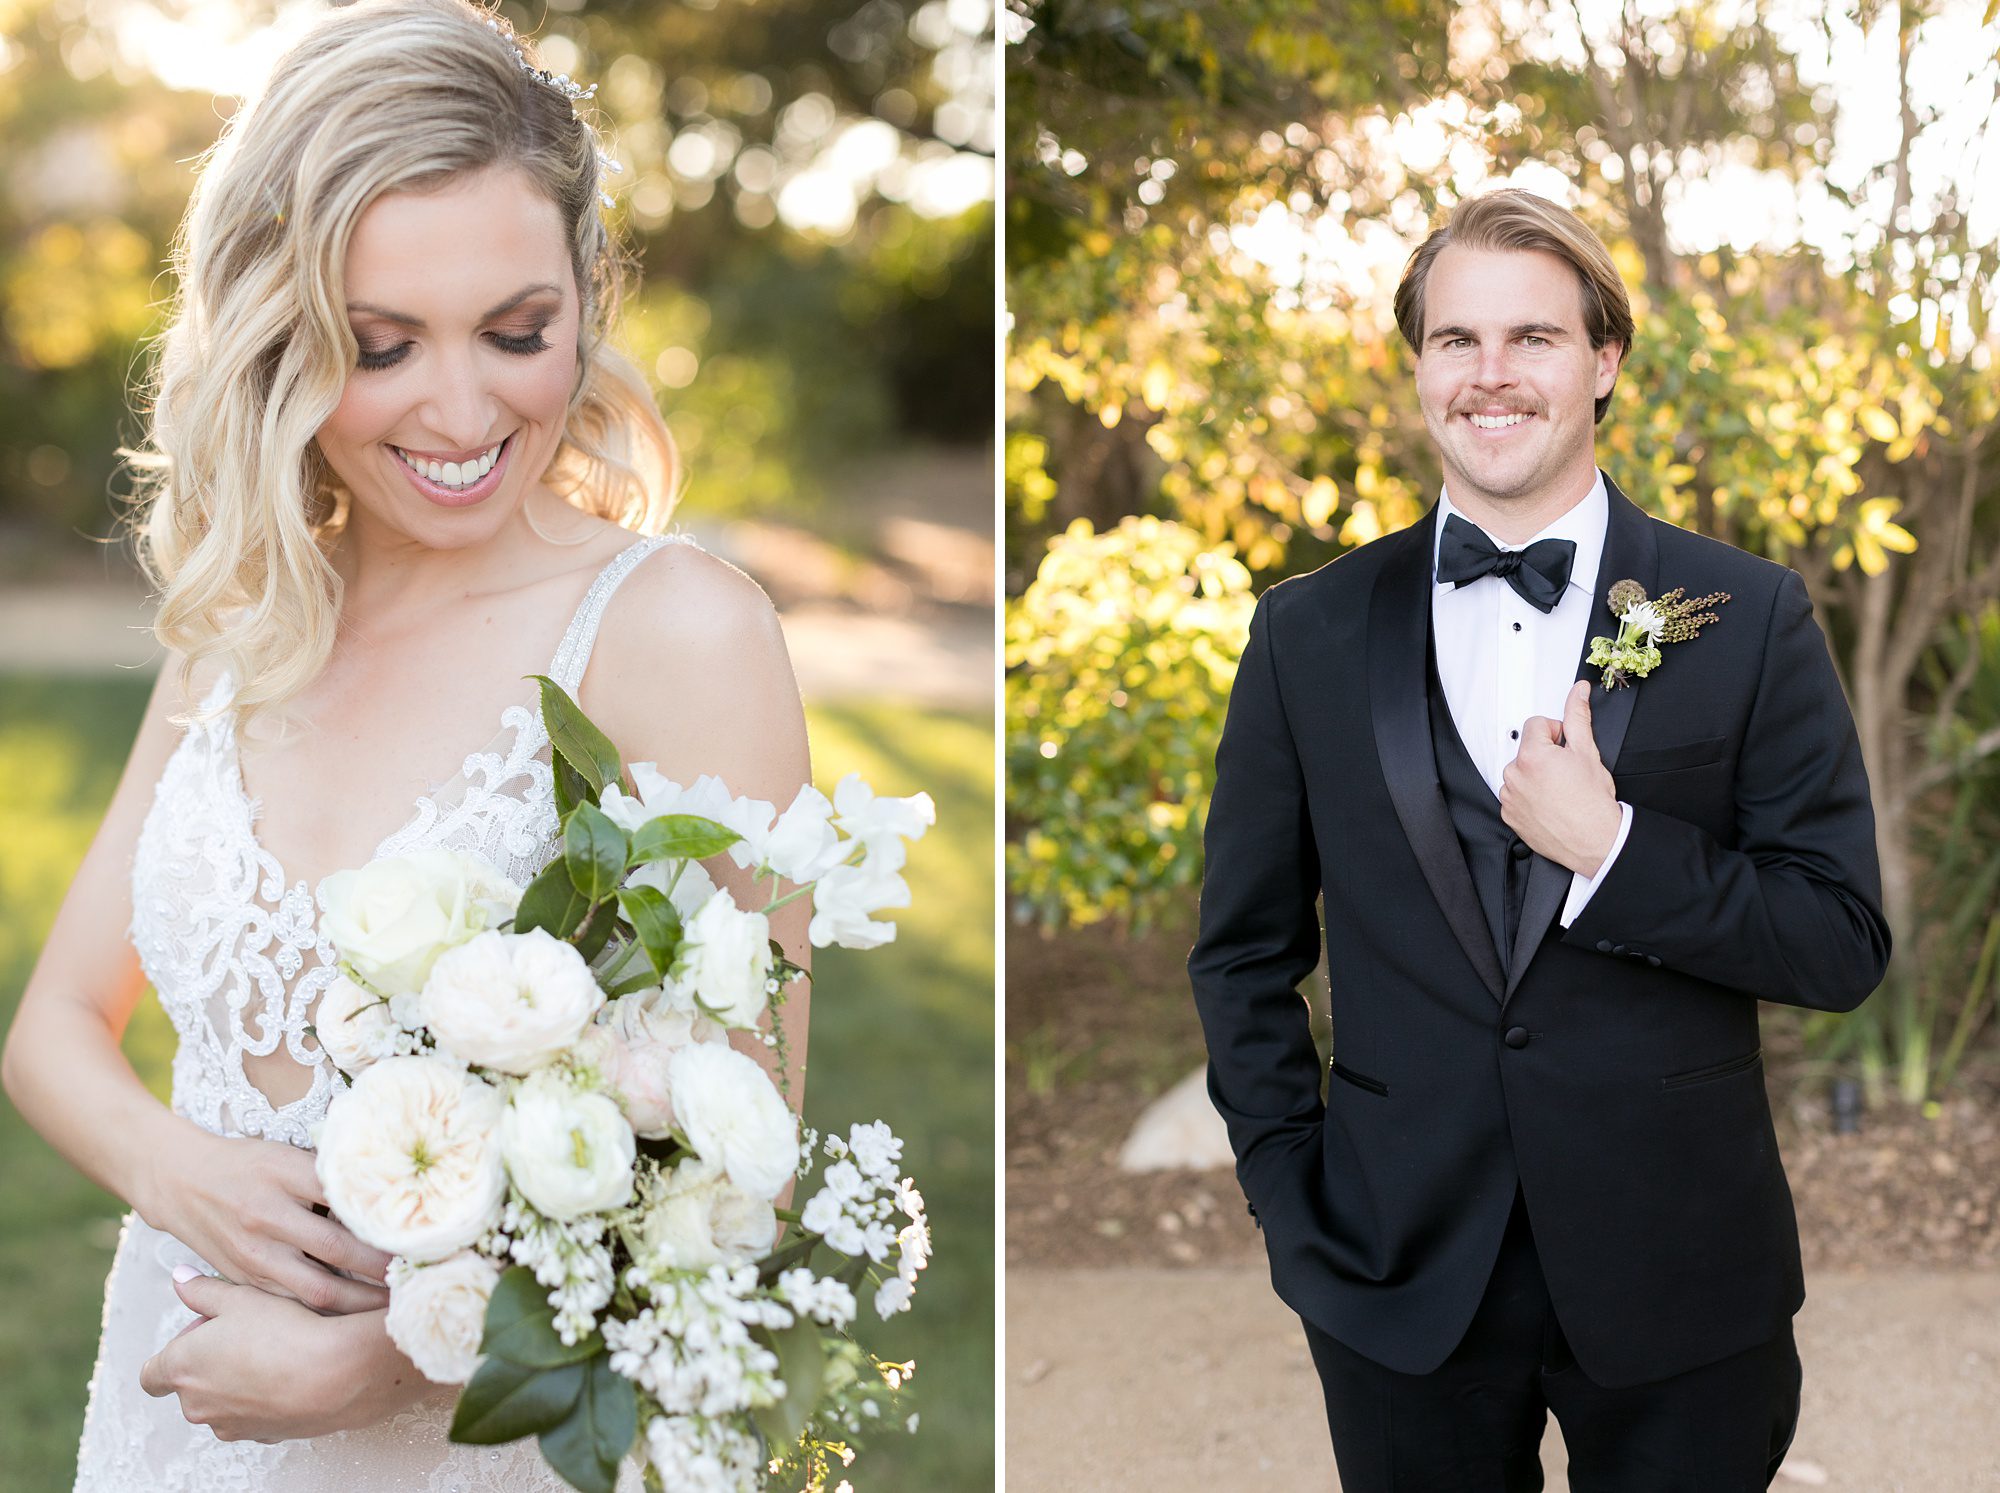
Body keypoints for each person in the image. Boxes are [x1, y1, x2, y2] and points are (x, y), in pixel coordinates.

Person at [0, 1, 810, 1485]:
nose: (461, 408)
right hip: (176, 1413)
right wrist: (181, 1173)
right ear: (278, 337)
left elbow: (737, 1171)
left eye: (518, 331)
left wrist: (388, 1353)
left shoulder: (677, 635)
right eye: (380, 346)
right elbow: (55, 1027)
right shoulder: (241, 618)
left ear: (585, 296)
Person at [1187, 187, 1891, 1491]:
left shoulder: (1746, 614)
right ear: (1419, 367)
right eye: (1456, 340)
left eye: (1534, 338)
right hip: (1397, 1274)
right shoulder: (1307, 633)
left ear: (1604, 358)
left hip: (1685, 1273)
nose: (1491, 375)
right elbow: (1241, 955)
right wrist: (1294, 1203)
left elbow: (1839, 940)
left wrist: (1617, 851)